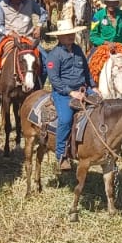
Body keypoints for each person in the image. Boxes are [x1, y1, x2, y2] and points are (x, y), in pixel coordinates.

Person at [45, 22, 93, 170]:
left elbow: (86, 70)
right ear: (60, 37)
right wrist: (71, 92)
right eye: (67, 35)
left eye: (72, 34)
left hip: (83, 88)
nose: (71, 36)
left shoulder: (78, 50)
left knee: (102, 105)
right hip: (63, 93)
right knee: (65, 119)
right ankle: (61, 155)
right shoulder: (54, 56)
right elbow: (55, 80)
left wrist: (94, 87)